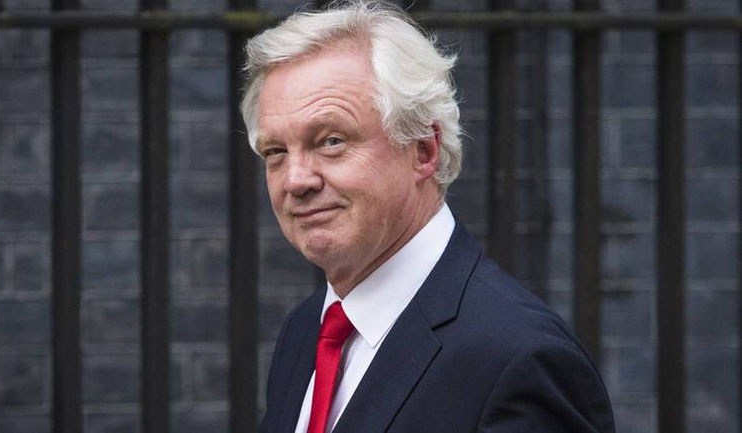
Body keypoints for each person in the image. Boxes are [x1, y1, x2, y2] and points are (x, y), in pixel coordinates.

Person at [240, 1, 616, 432]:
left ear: (423, 149)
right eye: (276, 152)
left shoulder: (518, 359)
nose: (296, 180)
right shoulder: (306, 331)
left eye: (331, 141)